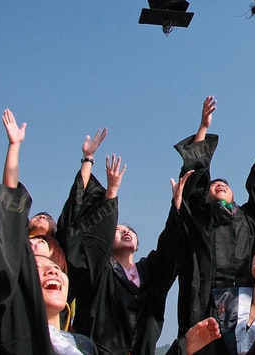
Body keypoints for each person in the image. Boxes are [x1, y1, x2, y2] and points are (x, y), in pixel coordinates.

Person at [0, 93, 100, 355]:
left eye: (52, 265)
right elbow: (4, 210)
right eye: (34, 265)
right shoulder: (11, 336)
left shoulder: (83, 346)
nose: (50, 271)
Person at [56, 127, 189, 355]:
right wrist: (109, 189)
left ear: (137, 245)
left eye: (130, 230)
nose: (125, 232)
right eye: (117, 229)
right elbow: (81, 231)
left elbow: (170, 250)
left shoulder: (149, 272)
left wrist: (176, 206)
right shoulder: (100, 271)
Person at [174, 96, 255, 333]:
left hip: (244, 310)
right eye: (214, 185)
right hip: (201, 306)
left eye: (225, 185)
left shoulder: (249, 219)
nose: (219, 185)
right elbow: (193, 178)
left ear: (233, 195)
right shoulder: (199, 217)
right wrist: (203, 127)